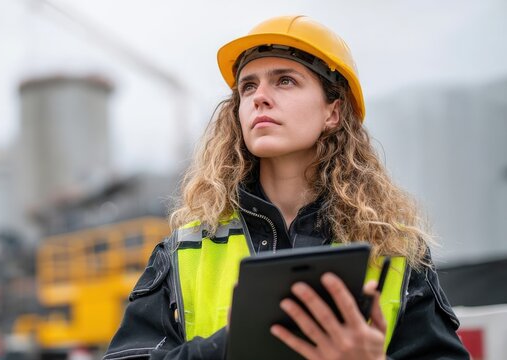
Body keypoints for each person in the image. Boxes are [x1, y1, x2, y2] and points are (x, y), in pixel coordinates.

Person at [103, 14, 469, 360]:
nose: (259, 96)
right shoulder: (184, 251)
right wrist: (230, 346)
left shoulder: (396, 250)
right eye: (248, 86)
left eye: (285, 80)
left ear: (333, 112)